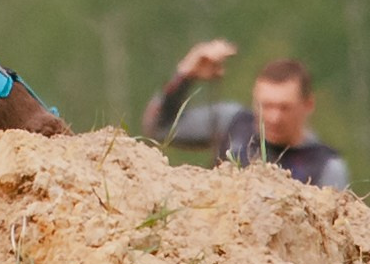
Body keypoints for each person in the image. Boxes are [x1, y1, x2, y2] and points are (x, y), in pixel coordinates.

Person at [141, 40, 350, 189]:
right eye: (266, 106)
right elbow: (159, 127)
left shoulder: (326, 167)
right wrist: (185, 75)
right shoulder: (233, 123)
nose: (274, 117)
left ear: (308, 104)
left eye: (284, 107)